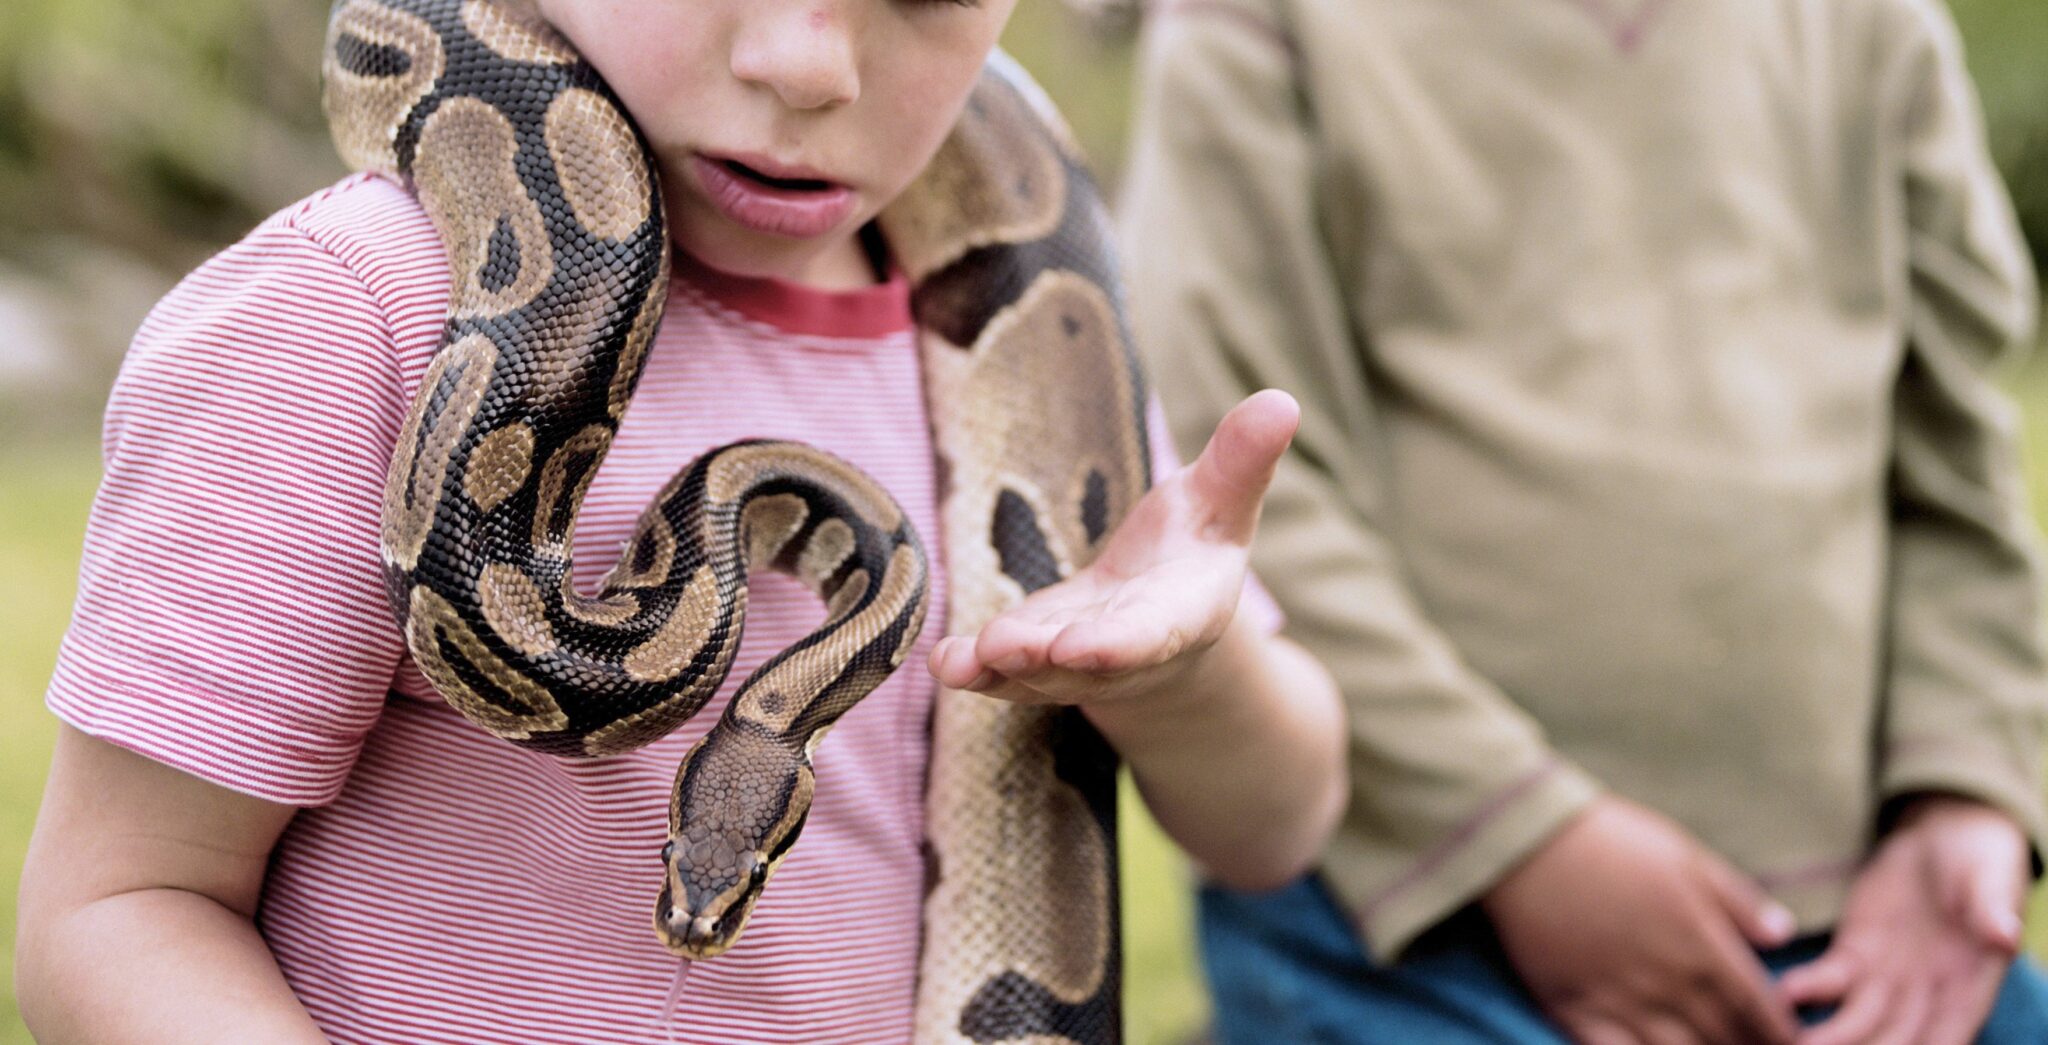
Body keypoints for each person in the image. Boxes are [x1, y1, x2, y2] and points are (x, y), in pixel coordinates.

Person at [10, 1, 1348, 1041]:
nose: (806, 62)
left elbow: (1279, 826)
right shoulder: (343, 321)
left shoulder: (1040, 356)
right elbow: (118, 908)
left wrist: (1183, 679)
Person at [1120, 0, 2048, 1042]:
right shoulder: (1261, 25)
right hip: (1407, 934)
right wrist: (1519, 834)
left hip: (1858, 934)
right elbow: (1233, 492)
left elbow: (1956, 462)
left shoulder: (1869, 23)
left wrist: (1961, 785)